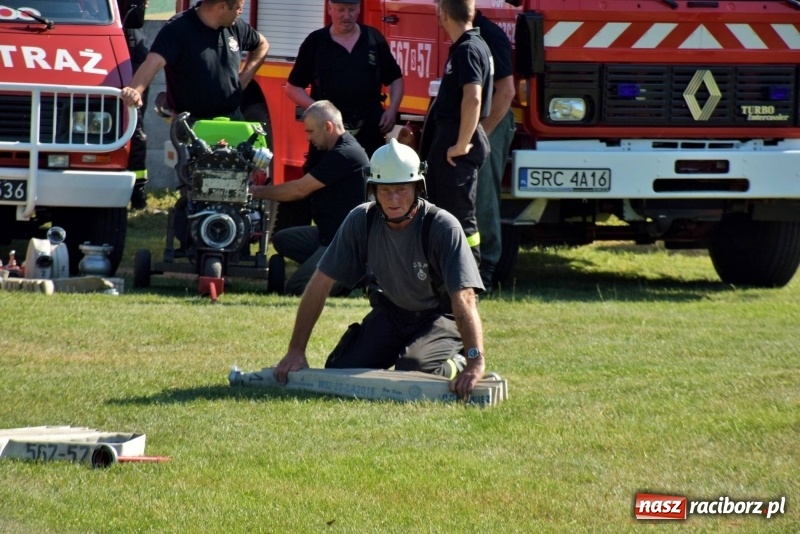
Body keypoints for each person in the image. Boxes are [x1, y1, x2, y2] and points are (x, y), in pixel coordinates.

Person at [273, 139, 487, 399]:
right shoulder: (361, 220)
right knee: (339, 371)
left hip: (439, 316)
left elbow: (464, 297)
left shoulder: (442, 226)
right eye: (385, 190)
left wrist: (476, 360)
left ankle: (460, 359)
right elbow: (320, 283)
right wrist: (296, 350)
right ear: (372, 190)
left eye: (402, 189)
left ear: (418, 188)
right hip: (392, 313)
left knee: (412, 370)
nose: (394, 199)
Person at [249, 101, 369, 296]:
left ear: (328, 127)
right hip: (328, 235)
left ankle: (350, 274)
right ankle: (330, 270)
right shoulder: (335, 150)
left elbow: (299, 190)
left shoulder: (345, 154)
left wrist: (255, 192)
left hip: (344, 243)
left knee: (297, 288)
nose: (308, 137)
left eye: (311, 131)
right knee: (282, 240)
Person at [285, 0, 404, 160]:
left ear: (359, 9)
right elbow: (292, 88)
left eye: (351, 10)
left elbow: (396, 78)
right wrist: (321, 111)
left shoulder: (373, 39)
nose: (346, 16)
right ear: (329, 9)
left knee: (368, 181)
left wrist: (392, 109)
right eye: (341, 10)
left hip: (369, 130)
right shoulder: (316, 42)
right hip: (328, 132)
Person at [424, 0, 492, 269]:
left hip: (458, 141)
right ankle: (446, 282)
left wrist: (461, 144)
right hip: (455, 137)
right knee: (442, 215)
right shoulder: (472, 46)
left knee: (459, 219)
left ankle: (467, 286)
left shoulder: (468, 49)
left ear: (442, 13)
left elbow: (473, 98)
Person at [120, 0, 269, 122]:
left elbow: (262, 45)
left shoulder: (236, 27)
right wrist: (135, 90)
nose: (241, 12)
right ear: (222, 6)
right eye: (238, 8)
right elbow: (153, 62)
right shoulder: (178, 28)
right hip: (191, 123)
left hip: (232, 118)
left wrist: (245, 78)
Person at [473, 10, 515, 288]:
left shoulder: (489, 35)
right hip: (475, 124)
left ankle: (487, 267)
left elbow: (506, 91)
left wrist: (481, 136)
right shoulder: (469, 35)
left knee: (484, 195)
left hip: (492, 122)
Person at [119, 0, 150, 210]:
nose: (146, 5)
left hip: (131, 51)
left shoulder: (134, 34)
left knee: (135, 126)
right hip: (119, 49)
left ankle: (137, 192)